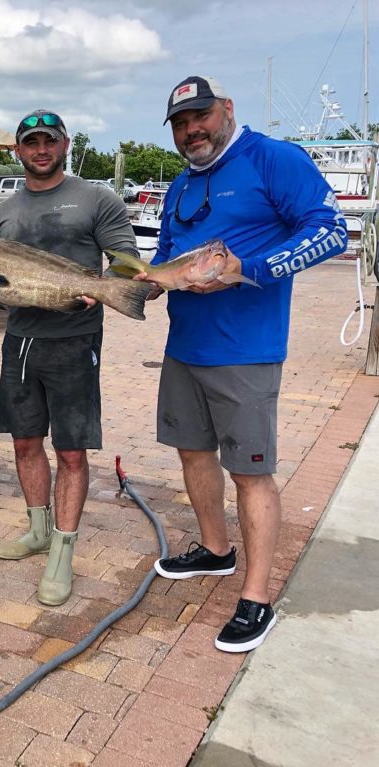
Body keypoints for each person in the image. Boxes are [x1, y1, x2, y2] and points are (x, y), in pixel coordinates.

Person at [146, 76, 347, 652]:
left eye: (200, 117)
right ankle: (215, 550)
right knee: (192, 453)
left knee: (251, 472)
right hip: (184, 346)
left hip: (246, 353)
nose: (192, 130)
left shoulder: (274, 158)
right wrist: (136, 282)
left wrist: (247, 268)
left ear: (226, 110)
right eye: (181, 124)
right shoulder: (183, 184)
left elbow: (329, 231)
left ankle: (256, 596)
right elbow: (165, 259)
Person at [0, 110, 140, 605]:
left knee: (71, 451)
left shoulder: (96, 198)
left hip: (75, 340)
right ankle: (38, 530)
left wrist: (107, 288)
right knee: (25, 443)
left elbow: (126, 262)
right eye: (31, 142)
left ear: (65, 143)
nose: (41, 149)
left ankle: (63, 550)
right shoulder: (3, 212)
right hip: (21, 341)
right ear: (18, 150)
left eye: (49, 141)